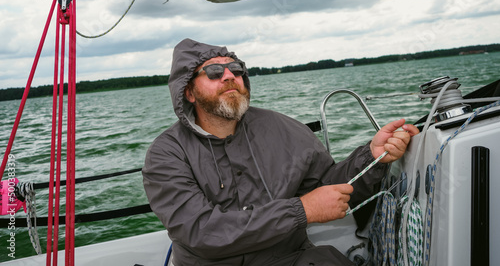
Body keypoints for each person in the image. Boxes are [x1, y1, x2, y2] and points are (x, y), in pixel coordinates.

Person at [143, 38, 419, 266]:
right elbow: (201, 232)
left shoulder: (284, 129)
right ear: (189, 92)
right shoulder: (166, 155)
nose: (229, 76)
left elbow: (328, 188)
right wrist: (301, 210)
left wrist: (372, 156)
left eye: (236, 69)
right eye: (214, 72)